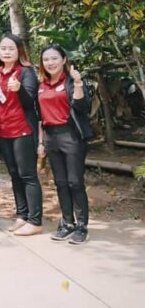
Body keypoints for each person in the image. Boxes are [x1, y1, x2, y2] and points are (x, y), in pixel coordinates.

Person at [38, 45, 93, 245]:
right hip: (50, 136)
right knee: (60, 182)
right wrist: (41, 142)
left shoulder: (70, 82)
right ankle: (67, 223)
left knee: (75, 182)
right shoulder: (42, 85)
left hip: (71, 136)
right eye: (46, 59)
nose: (50, 63)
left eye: (54, 58)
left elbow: (82, 107)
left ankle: (82, 226)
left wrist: (77, 84)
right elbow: (39, 116)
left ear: (63, 59)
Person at [0, 34, 43, 236]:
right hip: (3, 131)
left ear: (18, 50)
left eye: (11, 48)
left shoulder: (26, 72)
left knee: (27, 175)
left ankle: (35, 220)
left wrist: (19, 89)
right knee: (14, 174)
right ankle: (22, 215)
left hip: (22, 129)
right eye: (3, 48)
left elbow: (31, 102)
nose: (6, 52)